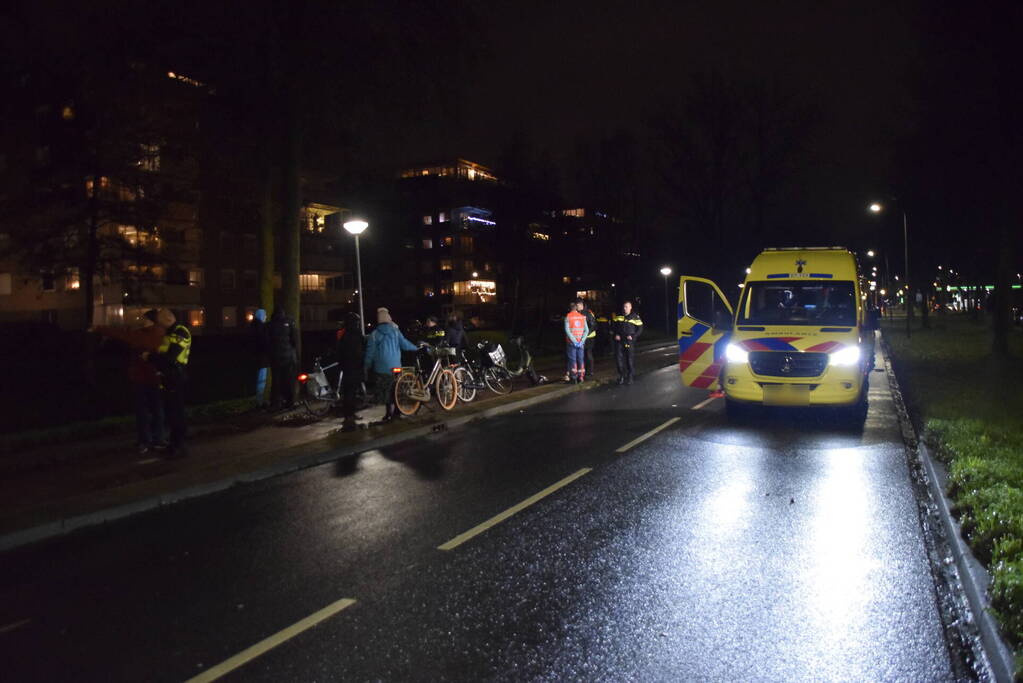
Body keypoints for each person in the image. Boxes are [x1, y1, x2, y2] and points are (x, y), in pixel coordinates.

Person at [92, 308, 169, 455]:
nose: (142, 322)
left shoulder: (142, 336)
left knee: (143, 411)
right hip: (157, 377)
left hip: (141, 378)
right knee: (157, 410)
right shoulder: (162, 335)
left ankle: (145, 441)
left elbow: (122, 335)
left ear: (151, 321)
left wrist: (99, 328)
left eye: (145, 319)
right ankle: (158, 439)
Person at [147, 309, 191, 459]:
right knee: (171, 414)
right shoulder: (171, 333)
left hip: (175, 379)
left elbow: (170, 358)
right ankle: (174, 444)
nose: (158, 326)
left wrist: (150, 357)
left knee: (176, 413)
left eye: (160, 323)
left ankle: (179, 445)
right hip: (168, 378)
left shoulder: (180, 332)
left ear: (167, 320)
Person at [364, 307, 418, 422]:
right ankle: (397, 412)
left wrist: (366, 365)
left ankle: (388, 413)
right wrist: (416, 348)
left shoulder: (374, 335)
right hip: (396, 366)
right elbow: (405, 344)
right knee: (396, 388)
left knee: (385, 390)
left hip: (381, 368)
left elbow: (370, 352)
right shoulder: (395, 332)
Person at [334, 311, 365, 431]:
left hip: (347, 367)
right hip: (355, 366)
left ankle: (349, 415)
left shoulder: (343, 334)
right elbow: (362, 348)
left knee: (348, 392)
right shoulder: (357, 334)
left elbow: (338, 350)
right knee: (352, 392)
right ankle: (350, 415)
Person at [268, 308, 299, 411]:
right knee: (289, 379)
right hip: (288, 356)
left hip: (275, 356)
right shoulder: (289, 322)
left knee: (276, 380)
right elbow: (294, 339)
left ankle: (276, 403)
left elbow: (268, 341)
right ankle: (290, 402)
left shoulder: (270, 325)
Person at [612, 300, 643, 384]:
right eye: (624, 307)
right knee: (618, 359)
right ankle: (621, 376)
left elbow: (640, 329)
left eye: (626, 307)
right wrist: (616, 334)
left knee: (629, 359)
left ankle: (630, 377)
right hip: (619, 341)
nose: (625, 308)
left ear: (630, 307)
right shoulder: (619, 316)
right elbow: (613, 327)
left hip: (629, 341)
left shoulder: (635, 317)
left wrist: (633, 336)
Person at [564, 301, 589, 383]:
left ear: (569, 308)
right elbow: (587, 330)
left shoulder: (568, 317)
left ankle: (574, 377)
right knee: (581, 359)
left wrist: (574, 341)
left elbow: (567, 331)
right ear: (576, 308)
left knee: (572, 359)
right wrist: (582, 341)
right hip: (581, 343)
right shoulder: (582, 317)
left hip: (571, 343)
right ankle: (581, 377)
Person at [250, 308, 270, 408]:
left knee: (257, 379)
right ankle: (260, 401)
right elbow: (265, 343)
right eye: (265, 315)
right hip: (262, 358)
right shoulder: (262, 328)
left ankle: (258, 400)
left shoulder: (252, 326)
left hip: (255, 357)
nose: (266, 317)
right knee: (261, 380)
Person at [577, 299, 598, 381]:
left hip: (589, 337)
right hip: (581, 337)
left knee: (588, 353)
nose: (577, 307)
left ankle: (590, 371)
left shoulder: (588, 313)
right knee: (583, 354)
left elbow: (594, 325)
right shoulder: (578, 313)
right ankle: (584, 370)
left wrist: (586, 334)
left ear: (581, 305)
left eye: (578, 305)